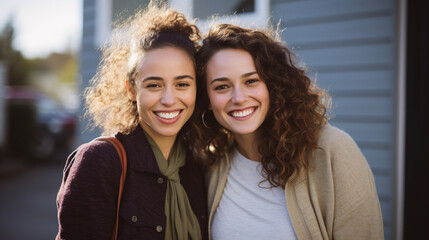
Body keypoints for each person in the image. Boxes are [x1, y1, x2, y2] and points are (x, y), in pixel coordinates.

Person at [194, 23, 384, 240]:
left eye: (251, 81)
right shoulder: (211, 163)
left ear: (272, 85)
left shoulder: (333, 151)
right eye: (222, 87)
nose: (238, 97)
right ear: (207, 99)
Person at [56, 3, 208, 240]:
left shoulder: (196, 166)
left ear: (196, 89)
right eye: (154, 85)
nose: (169, 99)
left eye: (182, 84)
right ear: (131, 90)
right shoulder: (100, 162)